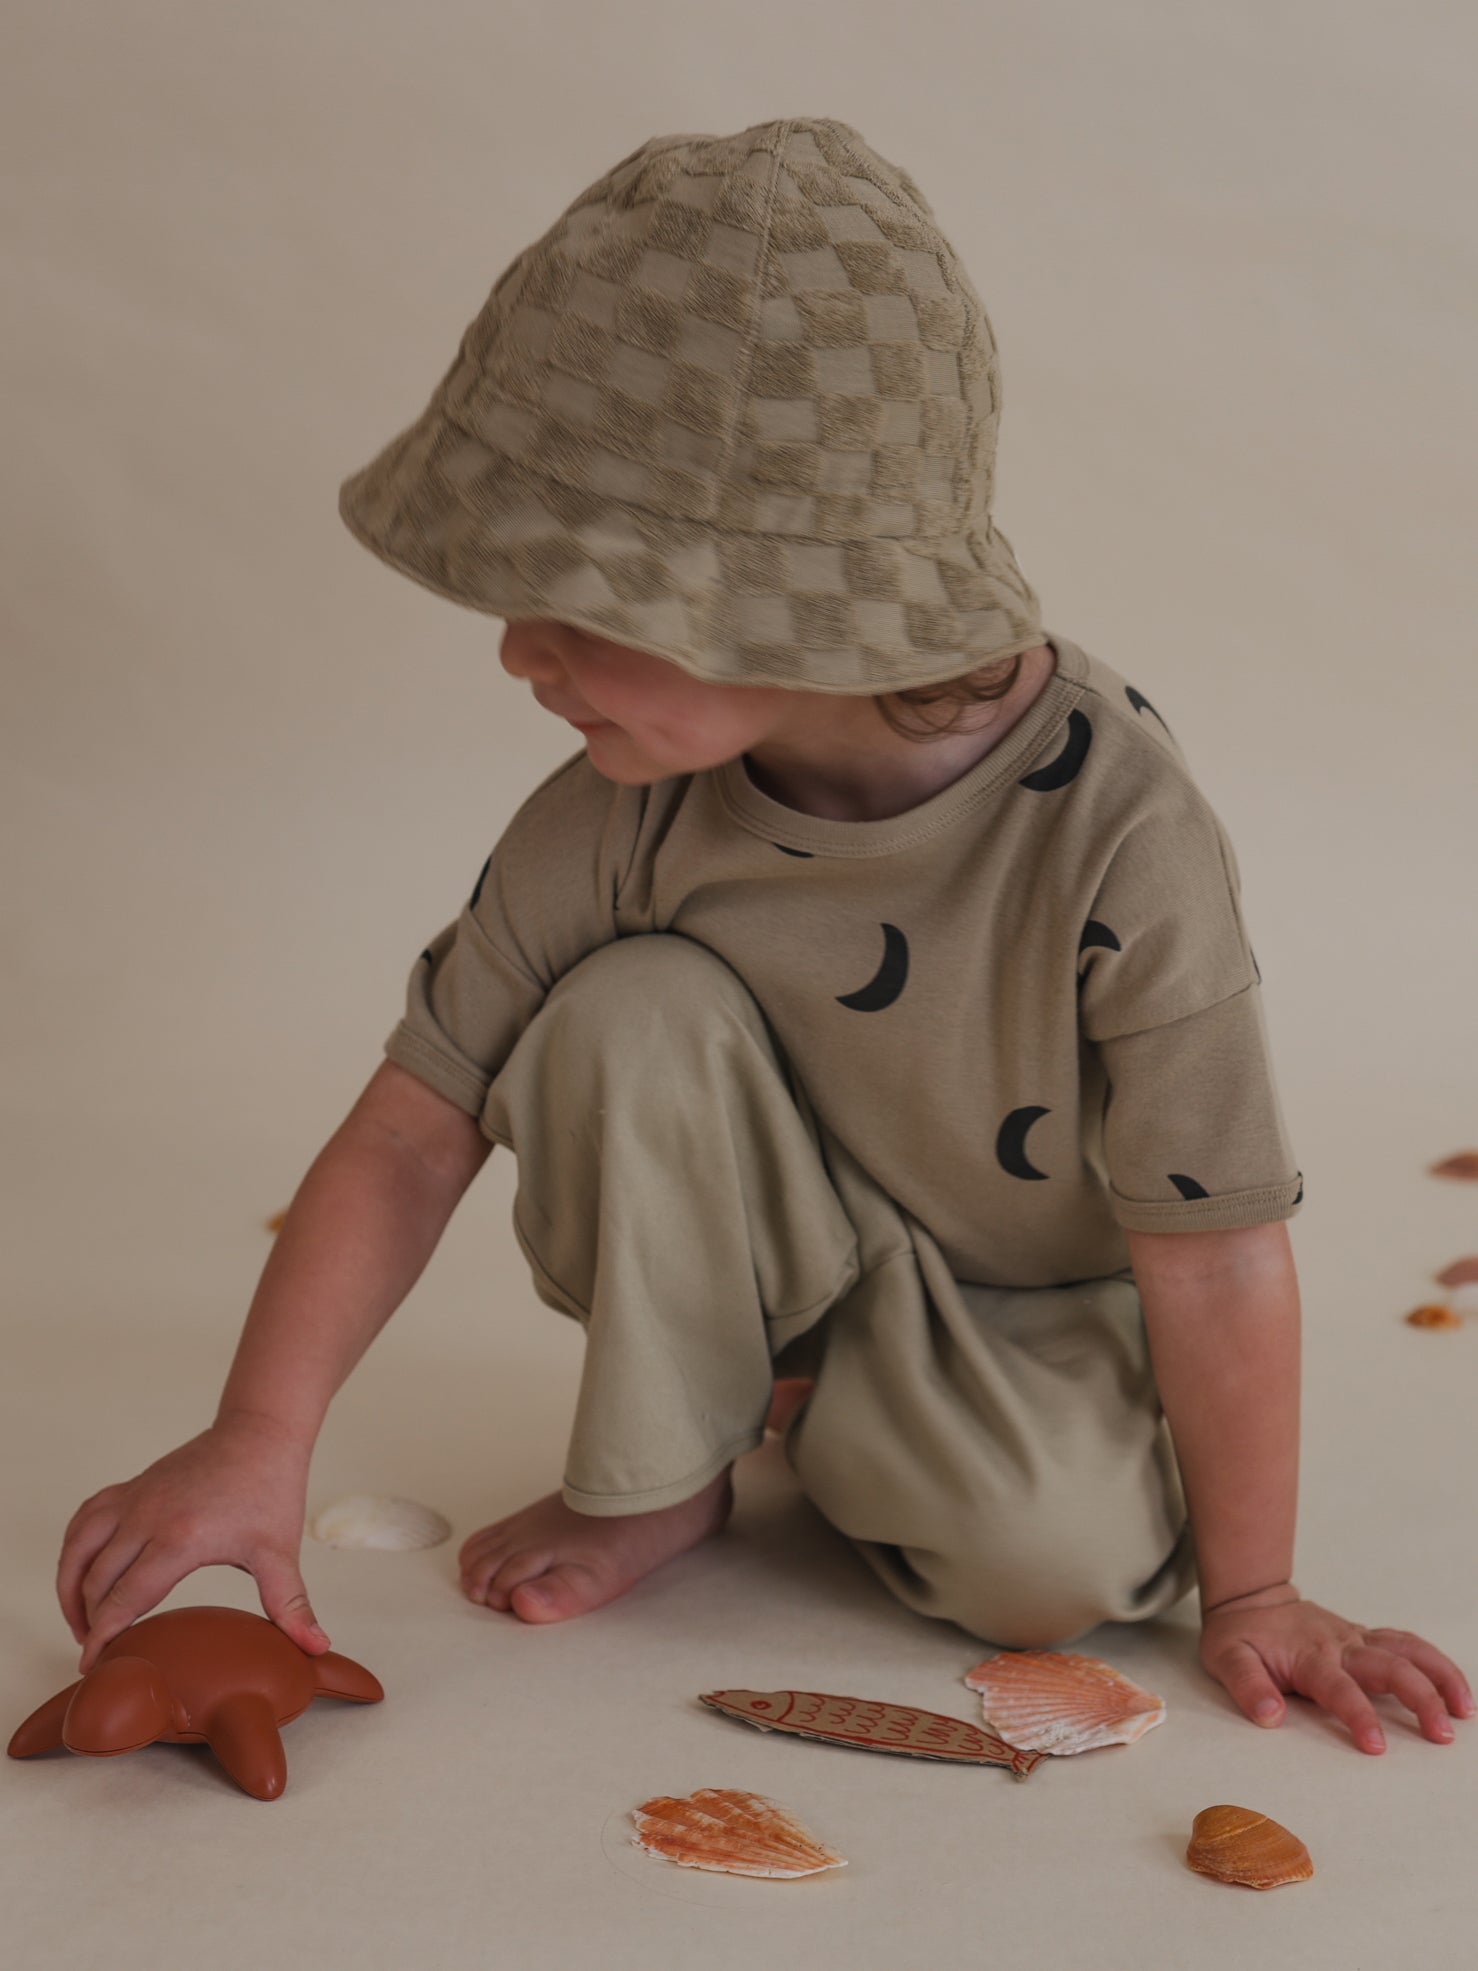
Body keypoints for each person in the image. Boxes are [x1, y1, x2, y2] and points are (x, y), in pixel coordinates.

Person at [57, 117, 1470, 1758]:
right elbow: (407, 1128)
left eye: (577, 605)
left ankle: (829, 1414)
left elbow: (1216, 1242)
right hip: (792, 1247)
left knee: (1043, 1574)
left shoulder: (1116, 836)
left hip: (1023, 1311)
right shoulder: (622, 804)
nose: (518, 651)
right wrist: (256, 1436)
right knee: (618, 1010)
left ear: (781, 611)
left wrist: (1253, 1594)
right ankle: (683, 1462)